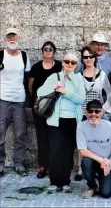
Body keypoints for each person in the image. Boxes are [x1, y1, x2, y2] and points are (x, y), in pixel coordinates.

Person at [37, 51, 85, 194]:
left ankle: (65, 182)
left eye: (73, 62)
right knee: (55, 152)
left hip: (72, 120)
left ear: (76, 65)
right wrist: (53, 87)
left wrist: (65, 92)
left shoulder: (78, 79)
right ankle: (54, 182)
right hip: (55, 121)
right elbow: (40, 92)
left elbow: (81, 99)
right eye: (67, 61)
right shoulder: (54, 77)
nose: (69, 64)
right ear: (62, 63)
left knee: (68, 152)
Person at [74, 46, 111, 181]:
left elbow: (109, 92)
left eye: (91, 56)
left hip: (97, 113)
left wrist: (104, 108)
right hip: (83, 111)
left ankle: (102, 165)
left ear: (95, 58)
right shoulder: (78, 76)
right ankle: (80, 169)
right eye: (85, 57)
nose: (88, 59)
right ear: (82, 59)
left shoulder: (101, 75)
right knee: (82, 140)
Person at [77, 100, 111, 199]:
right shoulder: (81, 126)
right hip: (94, 162)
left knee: (106, 194)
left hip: (108, 163)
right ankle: (92, 187)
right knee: (85, 162)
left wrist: (110, 160)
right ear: (86, 113)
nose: (93, 114)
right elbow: (82, 150)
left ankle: (102, 181)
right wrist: (101, 160)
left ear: (102, 112)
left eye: (97, 111)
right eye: (90, 111)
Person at [28, 41, 62, 178]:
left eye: (50, 49)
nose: (48, 51)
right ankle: (42, 166)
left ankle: (54, 165)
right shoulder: (36, 67)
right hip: (39, 108)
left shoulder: (59, 66)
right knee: (41, 136)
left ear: (54, 52)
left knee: (55, 136)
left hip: (55, 107)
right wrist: (38, 101)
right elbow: (30, 87)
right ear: (42, 52)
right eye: (45, 49)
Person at [0, 28, 31, 177]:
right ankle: (0, 164)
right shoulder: (1, 55)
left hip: (19, 100)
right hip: (3, 99)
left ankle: (19, 164)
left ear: (18, 38)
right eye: (9, 37)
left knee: (20, 134)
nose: (12, 39)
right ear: (5, 39)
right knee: (0, 133)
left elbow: (28, 78)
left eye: (14, 36)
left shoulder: (24, 56)